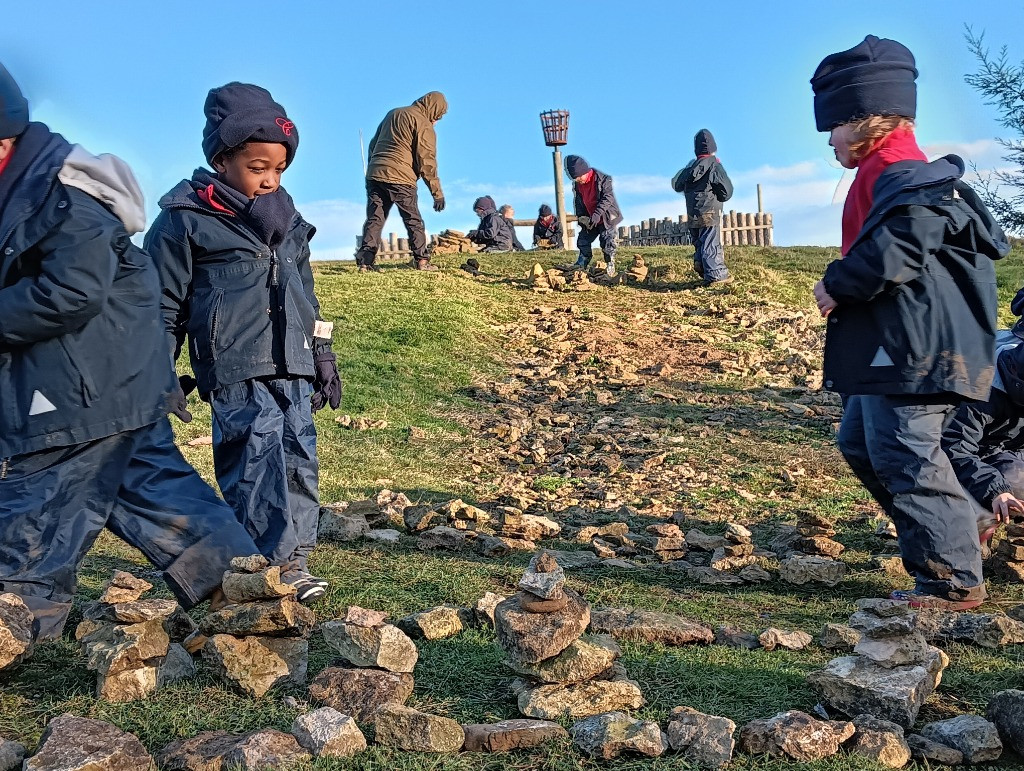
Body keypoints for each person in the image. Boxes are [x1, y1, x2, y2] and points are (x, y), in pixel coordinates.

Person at [0, 63, 262, 641]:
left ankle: (11, 626)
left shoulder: (63, 196)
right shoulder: (30, 189)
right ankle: (255, 605)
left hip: (78, 392)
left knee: (35, 514)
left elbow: (69, 292)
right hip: (116, 384)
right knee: (152, 491)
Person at [810, 36, 1009, 610]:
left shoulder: (903, 172)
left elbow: (903, 244)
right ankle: (961, 525)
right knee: (862, 444)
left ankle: (951, 582)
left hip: (916, 349)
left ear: (867, 118)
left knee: (905, 453)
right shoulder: (891, 172)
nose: (829, 140)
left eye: (835, 126)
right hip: (897, 346)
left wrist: (838, 284)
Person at [145, 83, 343, 604]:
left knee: (298, 454)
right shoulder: (185, 219)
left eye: (279, 170)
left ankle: (294, 558)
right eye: (258, 168)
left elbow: (307, 294)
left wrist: (322, 352)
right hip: (235, 364)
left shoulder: (289, 221)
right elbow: (161, 305)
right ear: (222, 158)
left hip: (292, 361)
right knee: (254, 457)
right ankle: (268, 563)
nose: (270, 180)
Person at [943, 330, 1024, 538]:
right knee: (1012, 481)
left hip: (1009, 451)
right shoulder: (978, 385)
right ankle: (971, 529)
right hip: (966, 457)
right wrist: (996, 490)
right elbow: (953, 447)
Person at [354, 92, 447, 272]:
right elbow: (426, 159)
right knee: (413, 219)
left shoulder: (393, 113)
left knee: (375, 218)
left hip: (375, 174)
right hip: (401, 178)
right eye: (438, 116)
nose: (436, 121)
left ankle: (365, 263)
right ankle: (422, 261)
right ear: (434, 110)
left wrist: (375, 165)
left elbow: (373, 144)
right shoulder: (423, 123)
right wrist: (437, 193)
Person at [671, 129, 734, 285]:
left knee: (699, 241)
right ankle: (716, 274)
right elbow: (726, 192)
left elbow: (677, 185)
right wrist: (718, 197)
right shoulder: (714, 165)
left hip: (693, 212)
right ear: (714, 148)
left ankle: (701, 265)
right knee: (710, 242)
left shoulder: (690, 167)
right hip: (710, 210)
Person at [565, 155, 622, 277]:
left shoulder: (603, 179)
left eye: (579, 177)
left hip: (606, 217)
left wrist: (597, 214)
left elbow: (608, 198)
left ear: (585, 171)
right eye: (575, 178)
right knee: (583, 240)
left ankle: (610, 264)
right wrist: (581, 217)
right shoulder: (577, 185)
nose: (578, 180)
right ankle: (583, 262)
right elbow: (578, 201)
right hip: (590, 218)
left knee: (607, 240)